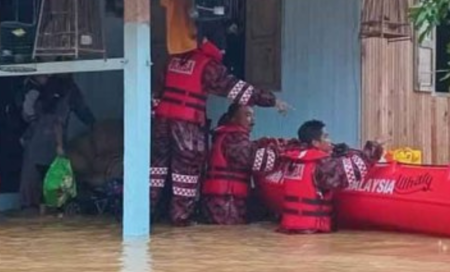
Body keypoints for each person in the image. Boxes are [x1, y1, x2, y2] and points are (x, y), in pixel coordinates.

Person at [150, 23, 289, 226]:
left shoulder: (173, 60)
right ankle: (180, 220)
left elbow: (156, 92)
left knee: (155, 170)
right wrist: (272, 101)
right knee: (186, 173)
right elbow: (237, 90)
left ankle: (145, 216)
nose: (222, 53)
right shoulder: (208, 66)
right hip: (186, 124)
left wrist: (156, 117)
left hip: (161, 121)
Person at [278, 120, 383, 234]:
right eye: (326, 137)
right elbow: (355, 168)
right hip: (311, 233)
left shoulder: (291, 159)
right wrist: (374, 147)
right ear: (315, 143)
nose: (330, 141)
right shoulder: (321, 165)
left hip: (290, 228)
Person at [19, 74, 96, 210]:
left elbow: (75, 114)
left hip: (48, 141)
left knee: (50, 177)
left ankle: (44, 207)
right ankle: (41, 207)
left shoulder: (64, 90)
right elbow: (29, 116)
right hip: (41, 141)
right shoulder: (32, 88)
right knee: (38, 178)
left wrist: (94, 126)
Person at [201, 104, 278, 225]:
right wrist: (278, 151)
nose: (252, 121)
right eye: (247, 115)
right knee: (228, 239)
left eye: (253, 116)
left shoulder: (227, 136)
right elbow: (252, 160)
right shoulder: (234, 138)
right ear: (233, 119)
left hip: (225, 198)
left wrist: (260, 144)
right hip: (226, 202)